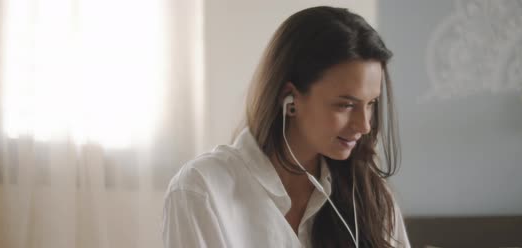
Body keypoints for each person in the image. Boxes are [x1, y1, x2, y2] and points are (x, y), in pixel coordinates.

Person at [163, 6, 410, 248]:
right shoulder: (201, 190)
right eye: (345, 105)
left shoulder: (372, 197)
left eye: (371, 104)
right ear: (290, 99)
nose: (364, 125)